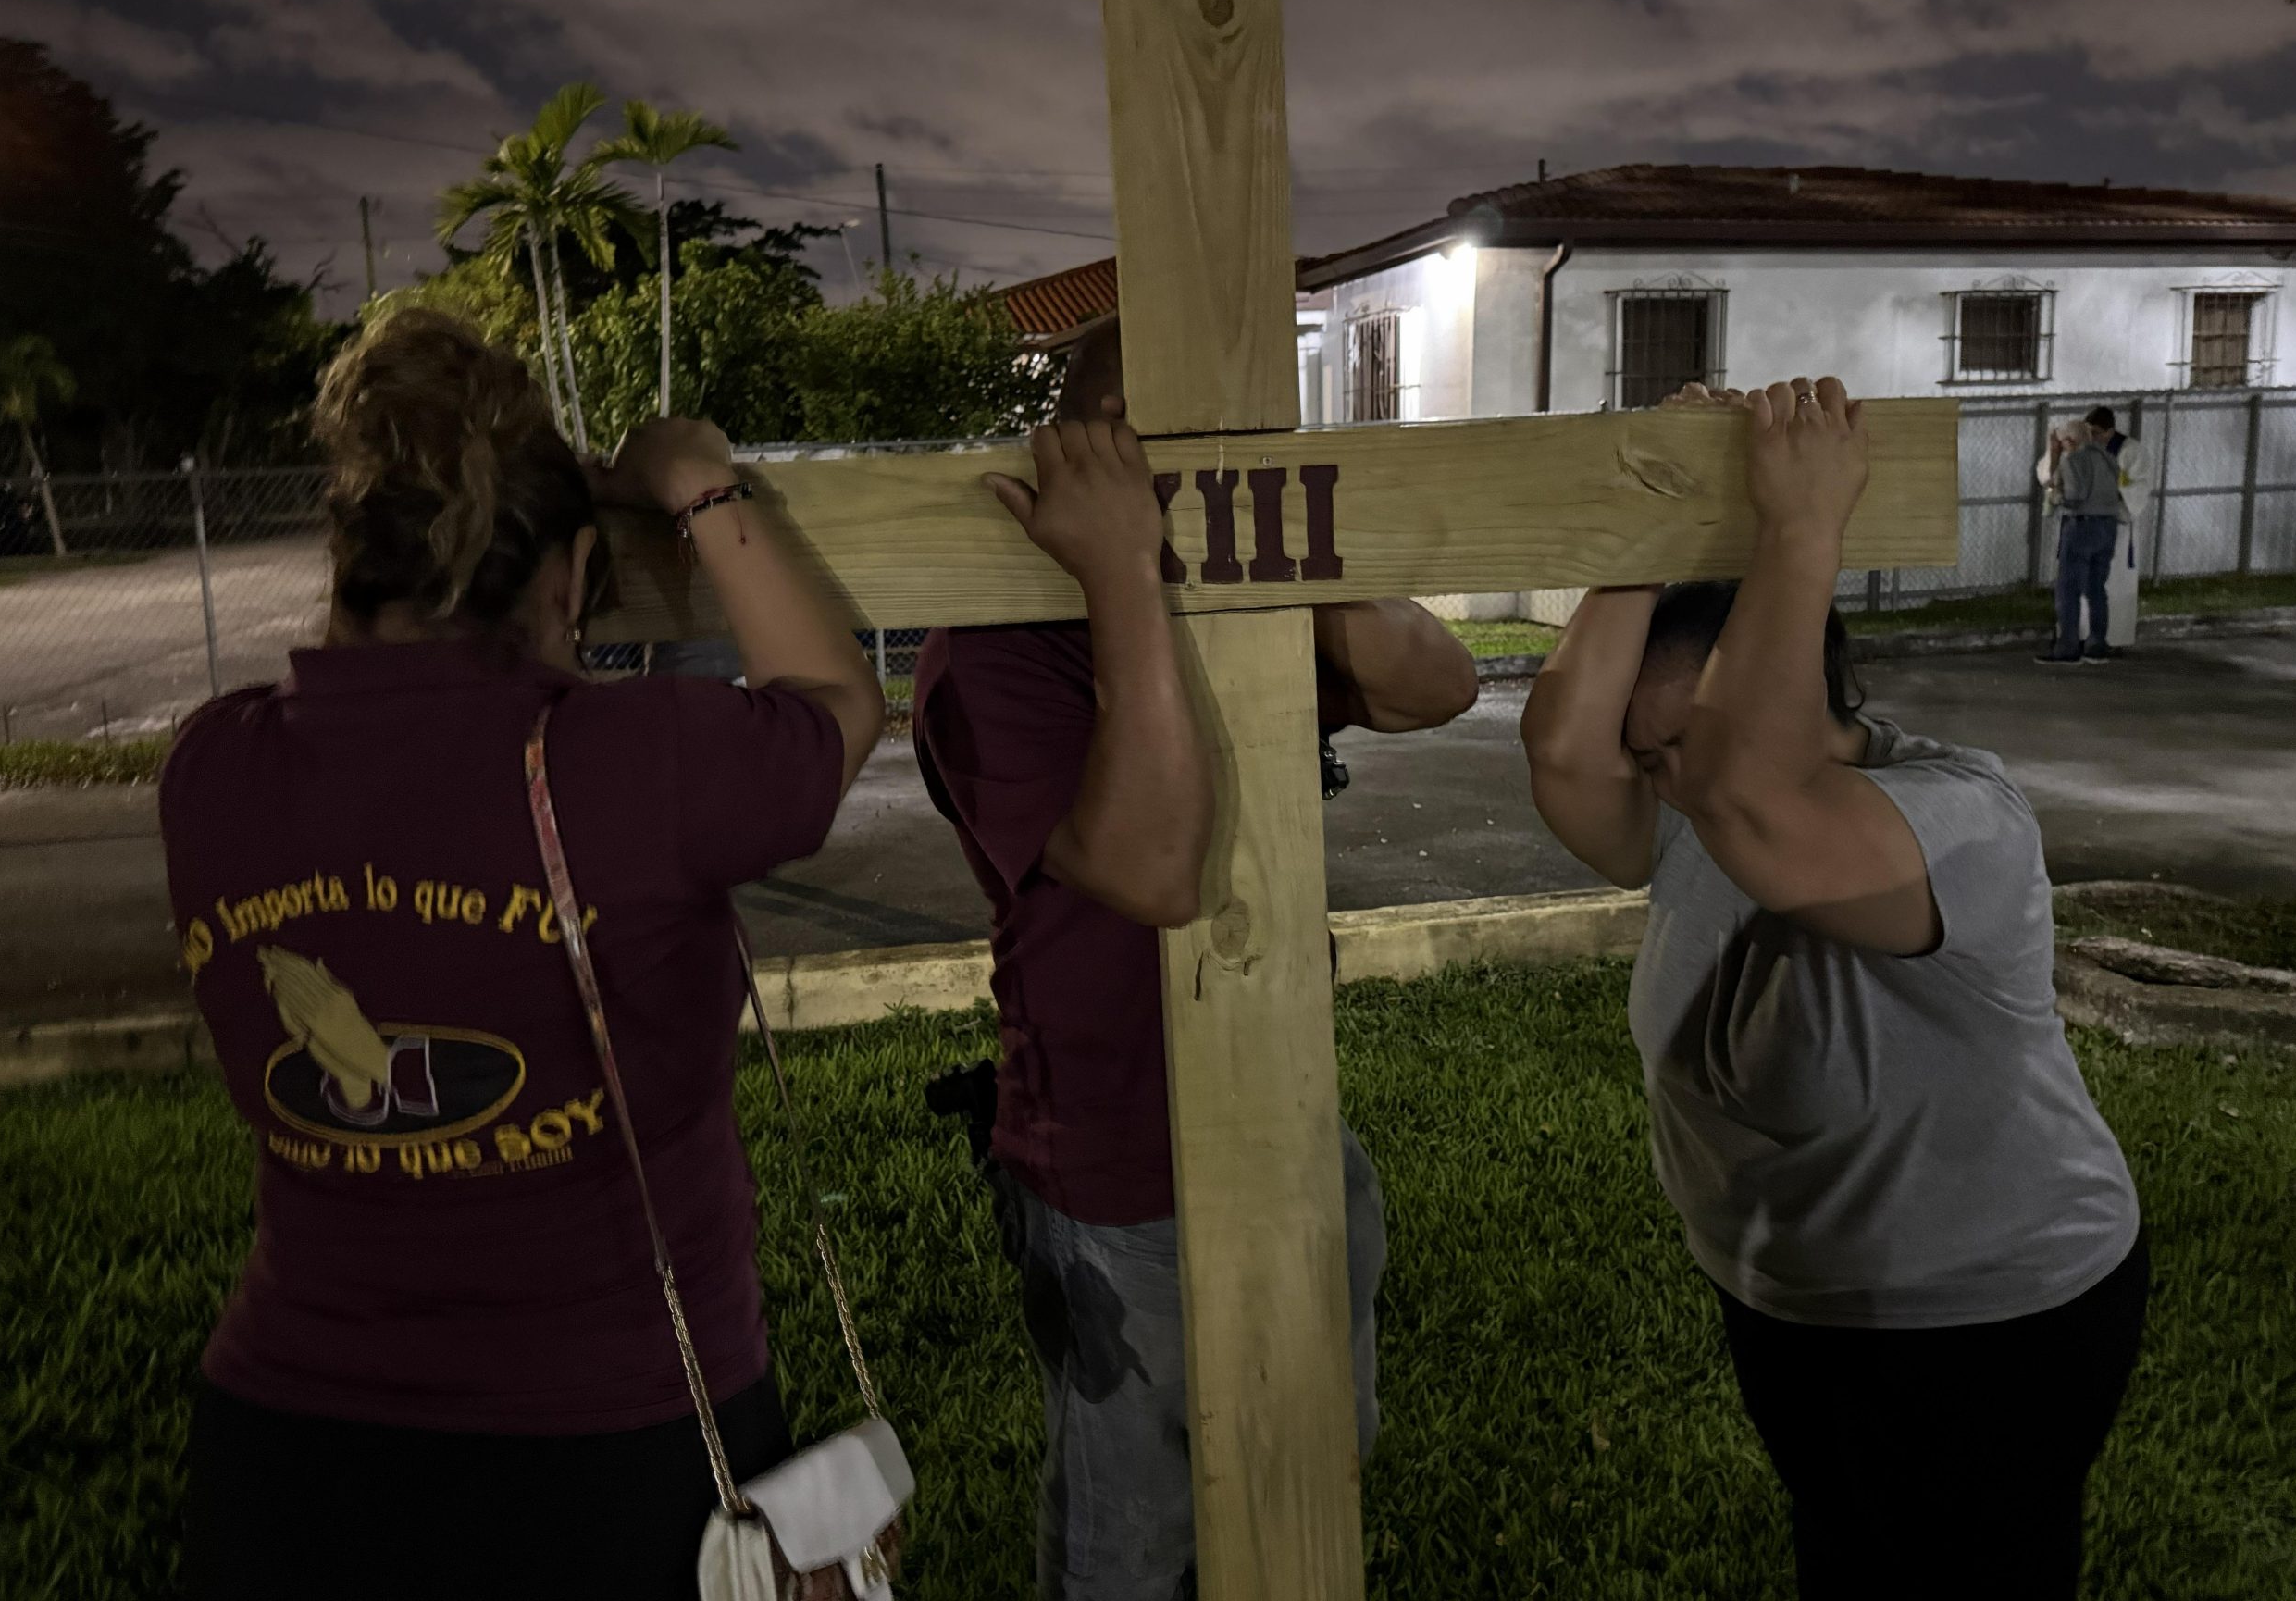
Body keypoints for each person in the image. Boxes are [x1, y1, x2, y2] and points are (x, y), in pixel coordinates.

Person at [162, 309, 887, 1597]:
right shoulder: (645, 764)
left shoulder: (214, 771)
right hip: (617, 1453)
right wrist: (698, 481)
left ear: (347, 560)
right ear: (570, 574)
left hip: (289, 1459)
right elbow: (838, 700)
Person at [1522, 376, 2147, 1600]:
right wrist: (1651, 524)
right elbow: (1561, 749)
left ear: (1795, 691)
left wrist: (1803, 523)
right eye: (1648, 755)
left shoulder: (1959, 819)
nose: (1655, 777)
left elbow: (1754, 792)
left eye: (1675, 748)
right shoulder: (1697, 810)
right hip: (1795, 1302)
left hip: (1990, 1318)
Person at [912, 317, 1477, 1601]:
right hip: (1116, 1164)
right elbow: (1151, 874)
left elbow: (1434, 683)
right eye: (1190, 436)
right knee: (1132, 1542)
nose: (1224, 461)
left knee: (1309, 1475)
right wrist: (1123, 570)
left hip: (1287, 1120)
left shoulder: (1226, 591)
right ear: (1098, 444)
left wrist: (1273, 526)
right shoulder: (994, 641)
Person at [2036, 406, 2150, 654]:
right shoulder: (2107, 458)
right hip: (2108, 526)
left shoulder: (2084, 457)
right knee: (2097, 589)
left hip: (2088, 525)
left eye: (2097, 433)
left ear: (2110, 431)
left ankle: (2069, 645)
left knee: (2071, 589)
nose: (2093, 437)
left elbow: (2070, 493)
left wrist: (2057, 497)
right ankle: (2097, 643)